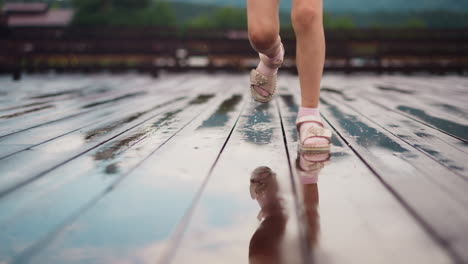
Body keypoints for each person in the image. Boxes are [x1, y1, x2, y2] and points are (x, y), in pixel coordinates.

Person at [247, 0, 331, 152]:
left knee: (307, 14)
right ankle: (273, 55)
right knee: (261, 35)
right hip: (266, 42)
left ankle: (310, 114)